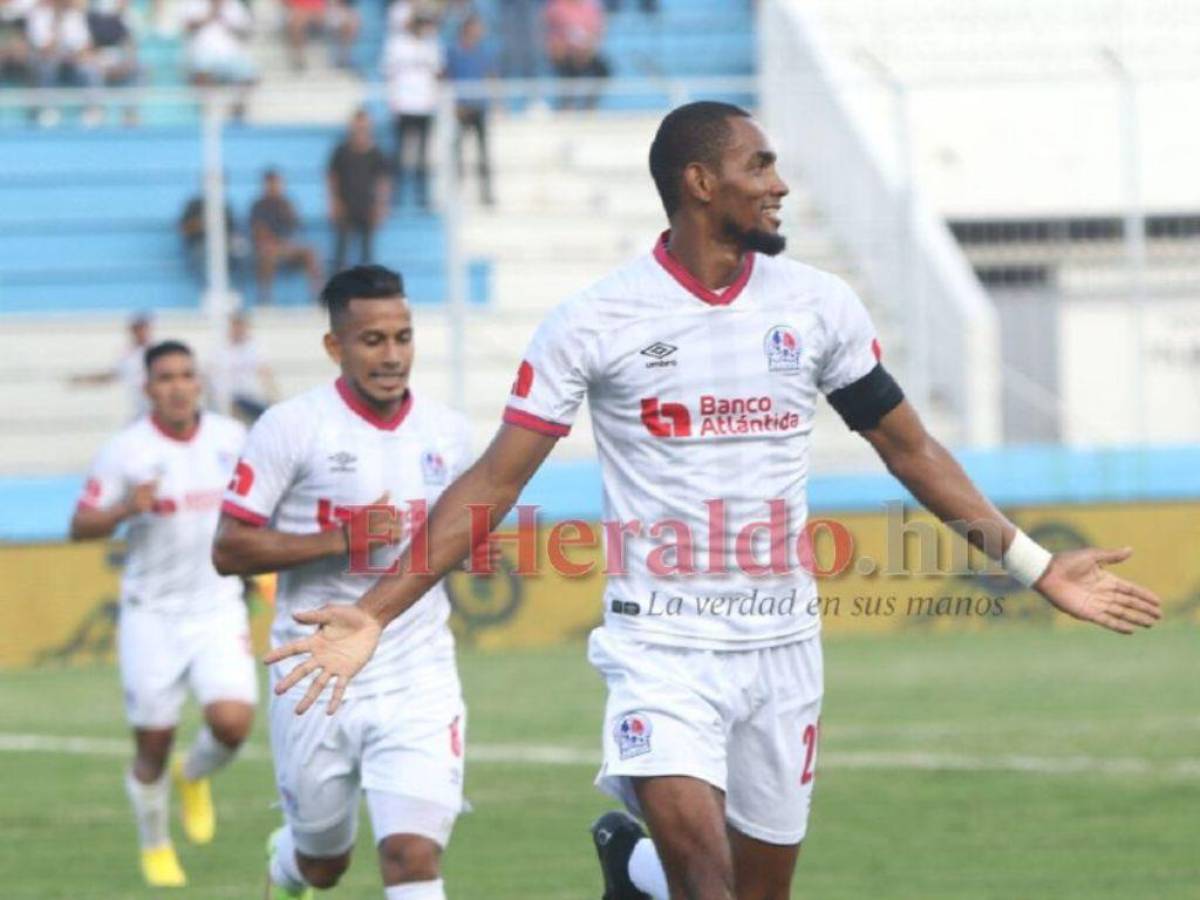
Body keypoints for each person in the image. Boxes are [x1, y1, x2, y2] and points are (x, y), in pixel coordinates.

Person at [264, 101, 1164, 899]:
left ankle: (632, 869)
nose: (778, 185)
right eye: (759, 166)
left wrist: (1037, 567)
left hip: (782, 648)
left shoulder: (819, 306)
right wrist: (379, 612)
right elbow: (496, 480)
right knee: (707, 885)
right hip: (662, 647)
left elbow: (908, 447)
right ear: (700, 182)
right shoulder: (597, 320)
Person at [213, 265, 478, 900]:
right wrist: (344, 539)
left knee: (411, 853)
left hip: (419, 675)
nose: (392, 356)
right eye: (373, 340)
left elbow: (467, 537)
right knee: (323, 864)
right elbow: (228, 549)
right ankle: (289, 864)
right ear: (336, 347)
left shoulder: (449, 434)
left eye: (403, 337)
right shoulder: (290, 427)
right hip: (315, 678)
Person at [69, 340, 257, 888]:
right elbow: (80, 525)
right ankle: (155, 845)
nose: (177, 386)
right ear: (148, 388)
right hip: (151, 615)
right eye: (165, 377)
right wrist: (129, 507)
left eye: (186, 375)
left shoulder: (232, 440)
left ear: (199, 383)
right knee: (152, 741)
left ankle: (193, 776)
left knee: (233, 722)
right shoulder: (125, 451)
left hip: (218, 606)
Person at [383, 13, 442, 210]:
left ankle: (422, 196)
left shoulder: (431, 46)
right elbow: (388, 73)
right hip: (404, 105)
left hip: (424, 106)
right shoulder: (397, 45)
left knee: (423, 155)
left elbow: (439, 73)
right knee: (400, 153)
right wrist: (394, 101)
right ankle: (397, 196)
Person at [327, 109, 391, 271]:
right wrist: (333, 202)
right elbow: (332, 178)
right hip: (345, 205)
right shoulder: (341, 151)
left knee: (367, 252)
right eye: (357, 127)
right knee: (340, 251)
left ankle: (365, 289)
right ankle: (338, 288)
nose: (360, 130)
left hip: (367, 207)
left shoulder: (376, 153)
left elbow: (383, 182)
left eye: (363, 127)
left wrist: (381, 206)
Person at [249, 168, 323, 305]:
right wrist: (273, 242)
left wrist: (289, 242)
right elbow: (258, 231)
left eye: (278, 183)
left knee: (311, 252)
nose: (275, 186)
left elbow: (296, 228)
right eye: (271, 183)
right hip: (267, 248)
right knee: (267, 254)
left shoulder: (286, 204)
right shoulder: (258, 205)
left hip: (287, 246)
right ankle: (265, 299)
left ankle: (317, 296)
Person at [25, 0, 103, 126]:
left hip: (72, 63)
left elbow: (85, 46)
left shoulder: (75, 15)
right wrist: (57, 24)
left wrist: (76, 56)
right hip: (48, 62)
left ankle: (92, 110)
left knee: (89, 69)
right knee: (47, 66)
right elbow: (44, 50)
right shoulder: (39, 15)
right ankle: (48, 109)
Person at [446, 13, 494, 206]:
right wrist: (455, 104)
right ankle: (457, 192)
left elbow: (490, 76)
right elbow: (448, 77)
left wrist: (495, 103)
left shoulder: (482, 52)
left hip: (479, 107)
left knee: (483, 153)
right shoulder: (454, 52)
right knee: (458, 152)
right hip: (462, 109)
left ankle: (486, 193)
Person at [68, 311, 155, 417]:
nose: (141, 332)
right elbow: (111, 376)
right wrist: (82, 380)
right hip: (139, 411)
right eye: (137, 328)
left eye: (144, 328)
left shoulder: (158, 352)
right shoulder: (127, 355)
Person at [180, 0, 256, 115]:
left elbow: (245, 31)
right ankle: (206, 109)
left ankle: (236, 111)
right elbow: (187, 27)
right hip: (202, 52)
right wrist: (211, 13)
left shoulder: (233, 5)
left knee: (248, 71)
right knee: (202, 66)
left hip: (230, 54)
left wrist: (229, 22)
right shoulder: (193, 3)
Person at [209, 310, 278, 423]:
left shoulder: (255, 347)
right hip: (228, 398)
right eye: (235, 325)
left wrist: (275, 400)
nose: (238, 329)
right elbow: (213, 376)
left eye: (240, 325)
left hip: (250, 397)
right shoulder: (220, 350)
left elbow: (266, 373)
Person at [543, 0, 608, 110]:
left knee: (603, 69)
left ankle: (589, 104)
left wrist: (587, 49)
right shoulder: (555, 7)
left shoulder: (590, 7)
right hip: (564, 53)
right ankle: (567, 104)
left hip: (585, 52)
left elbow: (596, 33)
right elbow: (548, 33)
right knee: (567, 67)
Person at [283, 0, 359, 71]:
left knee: (351, 21)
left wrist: (329, 8)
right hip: (300, 10)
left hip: (323, 11)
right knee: (297, 20)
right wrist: (309, 11)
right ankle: (298, 59)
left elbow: (337, 4)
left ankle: (343, 59)